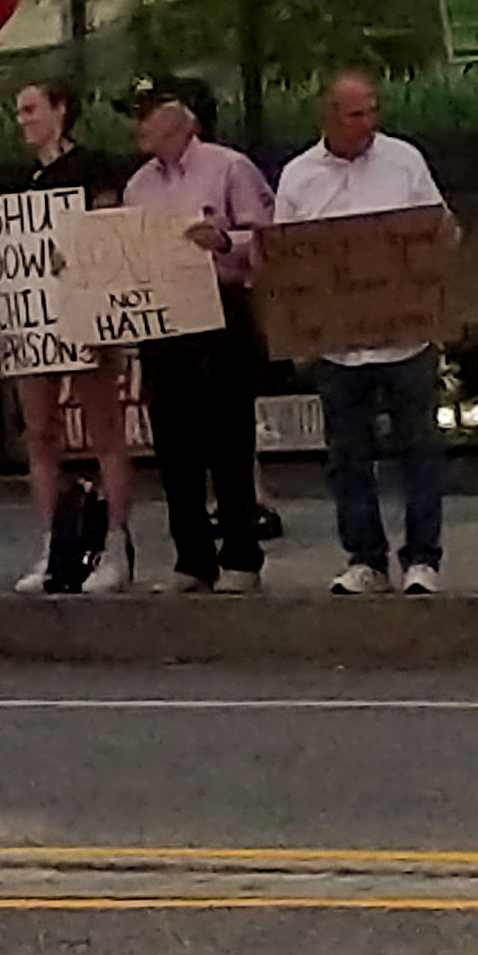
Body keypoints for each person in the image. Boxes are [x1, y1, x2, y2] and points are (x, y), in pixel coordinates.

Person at [272, 72, 455, 597]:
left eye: (373, 110)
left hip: (407, 339)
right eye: (356, 114)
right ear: (328, 116)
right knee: (348, 457)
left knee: (420, 449)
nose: (368, 123)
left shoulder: (405, 160)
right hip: (338, 345)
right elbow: (286, 257)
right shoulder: (298, 176)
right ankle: (365, 559)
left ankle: (423, 558)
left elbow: (439, 228)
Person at [0, 81, 135, 595]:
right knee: (40, 430)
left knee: (103, 428)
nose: (22, 120)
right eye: (17, 112)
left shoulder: (95, 168)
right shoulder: (11, 179)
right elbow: (4, 258)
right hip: (31, 316)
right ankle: (51, 544)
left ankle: (114, 542)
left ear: (61, 110)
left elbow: (108, 232)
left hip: (83, 308)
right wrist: (1, 319)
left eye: (31, 109)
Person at [119, 76, 275, 593]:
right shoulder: (137, 185)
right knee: (173, 441)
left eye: (148, 113)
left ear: (181, 116)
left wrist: (224, 239)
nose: (139, 126)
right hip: (163, 316)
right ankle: (192, 559)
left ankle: (241, 557)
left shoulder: (228, 167)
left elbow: (268, 238)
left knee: (228, 437)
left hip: (219, 311)